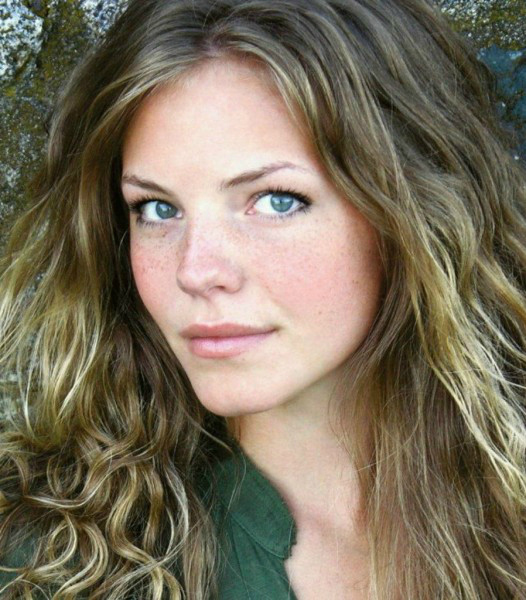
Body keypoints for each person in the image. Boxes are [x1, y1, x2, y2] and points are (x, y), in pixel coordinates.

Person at [0, 0, 524, 598]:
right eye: (158, 209)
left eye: (276, 201)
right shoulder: (48, 560)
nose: (196, 272)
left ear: (412, 211)